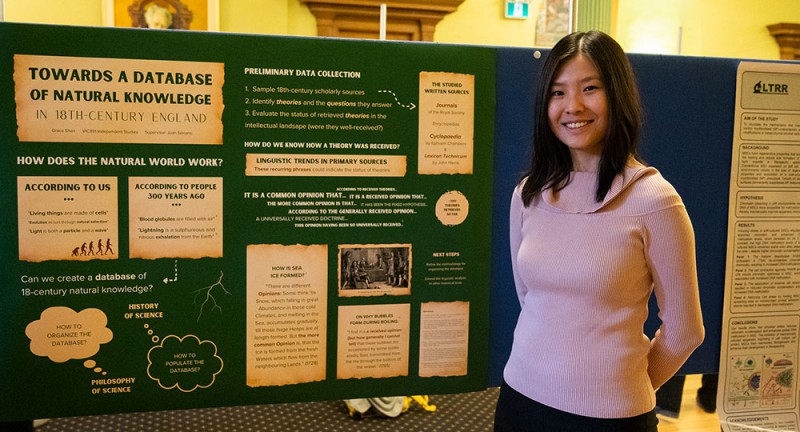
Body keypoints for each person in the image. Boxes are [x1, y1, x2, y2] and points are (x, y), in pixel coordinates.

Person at [494, 30, 705, 432]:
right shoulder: (529, 193)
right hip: (519, 398)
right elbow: (531, 298)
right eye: (557, 93)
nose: (572, 106)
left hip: (611, 418)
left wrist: (626, 384)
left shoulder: (654, 200)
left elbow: (685, 330)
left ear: (618, 95)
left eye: (590, 88)